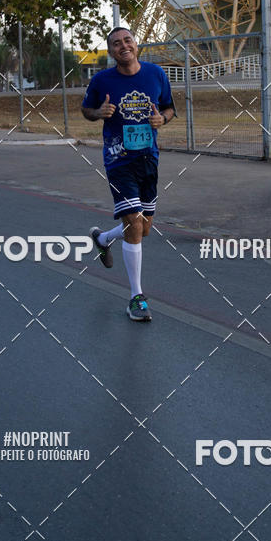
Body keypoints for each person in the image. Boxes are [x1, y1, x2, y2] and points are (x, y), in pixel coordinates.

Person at [81, 27, 176, 321]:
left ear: (136, 45)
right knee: (134, 223)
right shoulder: (101, 80)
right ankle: (136, 298)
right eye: (116, 43)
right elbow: (86, 109)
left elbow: (170, 108)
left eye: (127, 41)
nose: (123, 46)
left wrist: (162, 119)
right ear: (110, 51)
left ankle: (104, 239)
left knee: (143, 229)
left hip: (148, 159)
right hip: (118, 160)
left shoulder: (156, 74)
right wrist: (99, 113)